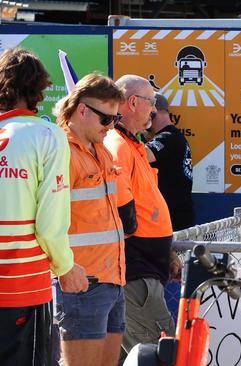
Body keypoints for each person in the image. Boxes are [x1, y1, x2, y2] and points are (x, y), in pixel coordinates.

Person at [0, 48, 88, 365]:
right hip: (21, 287)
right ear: (39, 88)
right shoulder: (47, 134)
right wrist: (65, 267)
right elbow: (50, 225)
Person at [104, 75, 181, 358]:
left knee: (137, 357)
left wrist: (167, 252)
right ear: (133, 102)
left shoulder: (130, 145)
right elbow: (122, 213)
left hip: (143, 273)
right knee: (164, 356)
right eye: (150, 102)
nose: (153, 109)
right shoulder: (118, 145)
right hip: (136, 275)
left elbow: (147, 206)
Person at [53, 73, 126, 366]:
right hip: (83, 283)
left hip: (112, 279)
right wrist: (66, 269)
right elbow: (49, 220)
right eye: (107, 119)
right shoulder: (62, 152)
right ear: (82, 110)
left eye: (116, 119)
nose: (112, 127)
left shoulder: (101, 151)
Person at [144, 93, 195, 231]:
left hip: (172, 222)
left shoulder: (168, 138)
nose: (143, 117)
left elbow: (142, 155)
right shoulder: (173, 136)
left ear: (154, 112)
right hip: (174, 219)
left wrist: (130, 131)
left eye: (145, 111)